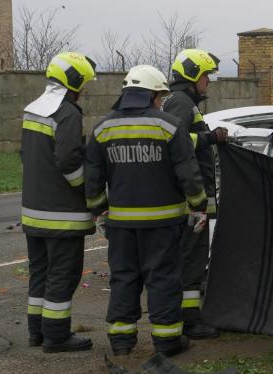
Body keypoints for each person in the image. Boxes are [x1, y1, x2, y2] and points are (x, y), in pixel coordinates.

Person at [84, 65, 208, 356]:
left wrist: (99, 210)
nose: (161, 101)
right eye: (160, 96)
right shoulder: (168, 126)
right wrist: (199, 205)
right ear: (153, 95)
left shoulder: (102, 128)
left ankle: (122, 342)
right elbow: (188, 174)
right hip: (164, 224)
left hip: (121, 225)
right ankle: (167, 342)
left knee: (124, 278)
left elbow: (92, 178)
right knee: (163, 279)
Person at [20, 52, 97, 353]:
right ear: (73, 80)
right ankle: (56, 335)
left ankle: (36, 331)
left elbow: (27, 156)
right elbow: (69, 162)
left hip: (33, 213)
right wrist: (87, 191)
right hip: (62, 216)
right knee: (63, 275)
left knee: (40, 272)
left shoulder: (32, 110)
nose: (84, 90)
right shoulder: (67, 113)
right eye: (83, 83)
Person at [161, 49, 227, 340]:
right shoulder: (180, 103)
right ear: (192, 76)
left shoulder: (184, 102)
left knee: (193, 257)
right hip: (190, 202)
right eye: (205, 76)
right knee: (192, 259)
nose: (208, 82)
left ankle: (188, 317)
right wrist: (209, 138)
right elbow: (171, 139)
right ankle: (189, 321)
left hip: (193, 199)